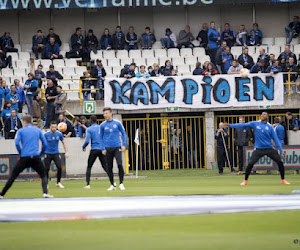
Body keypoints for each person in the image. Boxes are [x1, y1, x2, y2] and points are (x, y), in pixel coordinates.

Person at [225, 112, 290, 185]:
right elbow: (243, 125)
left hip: (269, 148)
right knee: (250, 164)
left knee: (280, 162)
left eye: (264, 114)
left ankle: (283, 180)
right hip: (258, 149)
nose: (262, 115)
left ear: (267, 117)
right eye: (262, 114)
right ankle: (245, 180)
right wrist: (230, 125)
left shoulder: (270, 127)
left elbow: (276, 139)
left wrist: (281, 150)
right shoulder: (255, 123)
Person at [0, 115, 53, 199]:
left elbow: (17, 143)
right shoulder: (37, 130)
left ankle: (2, 194)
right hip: (35, 156)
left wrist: (21, 152)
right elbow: (45, 144)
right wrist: (41, 153)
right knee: (43, 175)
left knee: (13, 175)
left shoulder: (21, 131)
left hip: (24, 156)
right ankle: (45, 193)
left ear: (24, 121)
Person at [100, 107, 127, 191]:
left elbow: (123, 133)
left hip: (117, 147)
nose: (105, 115)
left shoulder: (117, 123)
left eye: (106, 113)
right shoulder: (102, 125)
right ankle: (112, 184)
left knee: (119, 164)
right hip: (108, 148)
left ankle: (121, 183)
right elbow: (100, 137)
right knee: (109, 167)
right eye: (104, 113)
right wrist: (102, 148)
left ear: (111, 113)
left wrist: (124, 145)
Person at [82, 115, 108, 189]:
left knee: (89, 166)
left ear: (90, 120)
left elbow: (87, 141)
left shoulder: (89, 129)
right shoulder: (101, 128)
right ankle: (112, 182)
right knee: (105, 166)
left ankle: (88, 184)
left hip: (94, 149)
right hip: (101, 149)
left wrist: (83, 147)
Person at [44, 120, 68, 189]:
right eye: (52, 127)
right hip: (47, 153)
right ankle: (46, 183)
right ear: (50, 127)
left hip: (55, 153)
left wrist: (66, 152)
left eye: (55, 127)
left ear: (57, 127)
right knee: (46, 169)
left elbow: (64, 143)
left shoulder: (59, 134)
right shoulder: (46, 134)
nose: (54, 128)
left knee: (59, 167)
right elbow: (41, 142)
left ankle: (58, 182)